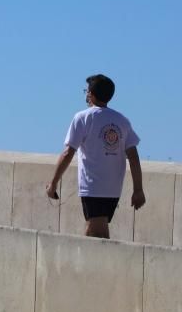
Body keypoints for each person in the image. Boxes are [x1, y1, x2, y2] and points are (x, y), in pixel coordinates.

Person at [46, 74, 146, 239]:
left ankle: (107, 265)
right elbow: (133, 157)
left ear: (91, 93)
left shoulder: (83, 118)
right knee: (92, 232)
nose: (86, 94)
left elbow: (68, 153)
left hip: (93, 188)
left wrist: (53, 184)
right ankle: (83, 264)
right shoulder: (122, 120)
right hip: (113, 190)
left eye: (87, 90)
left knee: (97, 234)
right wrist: (138, 190)